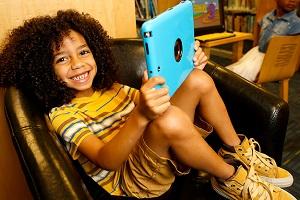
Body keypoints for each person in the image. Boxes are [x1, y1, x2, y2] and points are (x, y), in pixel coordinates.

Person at [0, 9, 296, 200]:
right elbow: (107, 159)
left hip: (156, 148)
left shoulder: (111, 87)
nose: (78, 64)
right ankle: (231, 179)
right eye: (62, 59)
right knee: (168, 119)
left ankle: (238, 152)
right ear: (43, 69)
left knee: (198, 79)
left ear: (96, 52)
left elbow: (156, 101)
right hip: (133, 178)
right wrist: (142, 113)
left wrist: (187, 65)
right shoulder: (63, 115)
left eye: (83, 51)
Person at [227, 0, 300, 82]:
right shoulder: (267, 17)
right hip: (257, 53)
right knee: (230, 71)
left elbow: (291, 56)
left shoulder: (297, 23)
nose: (293, 1)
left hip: (273, 61)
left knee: (237, 77)